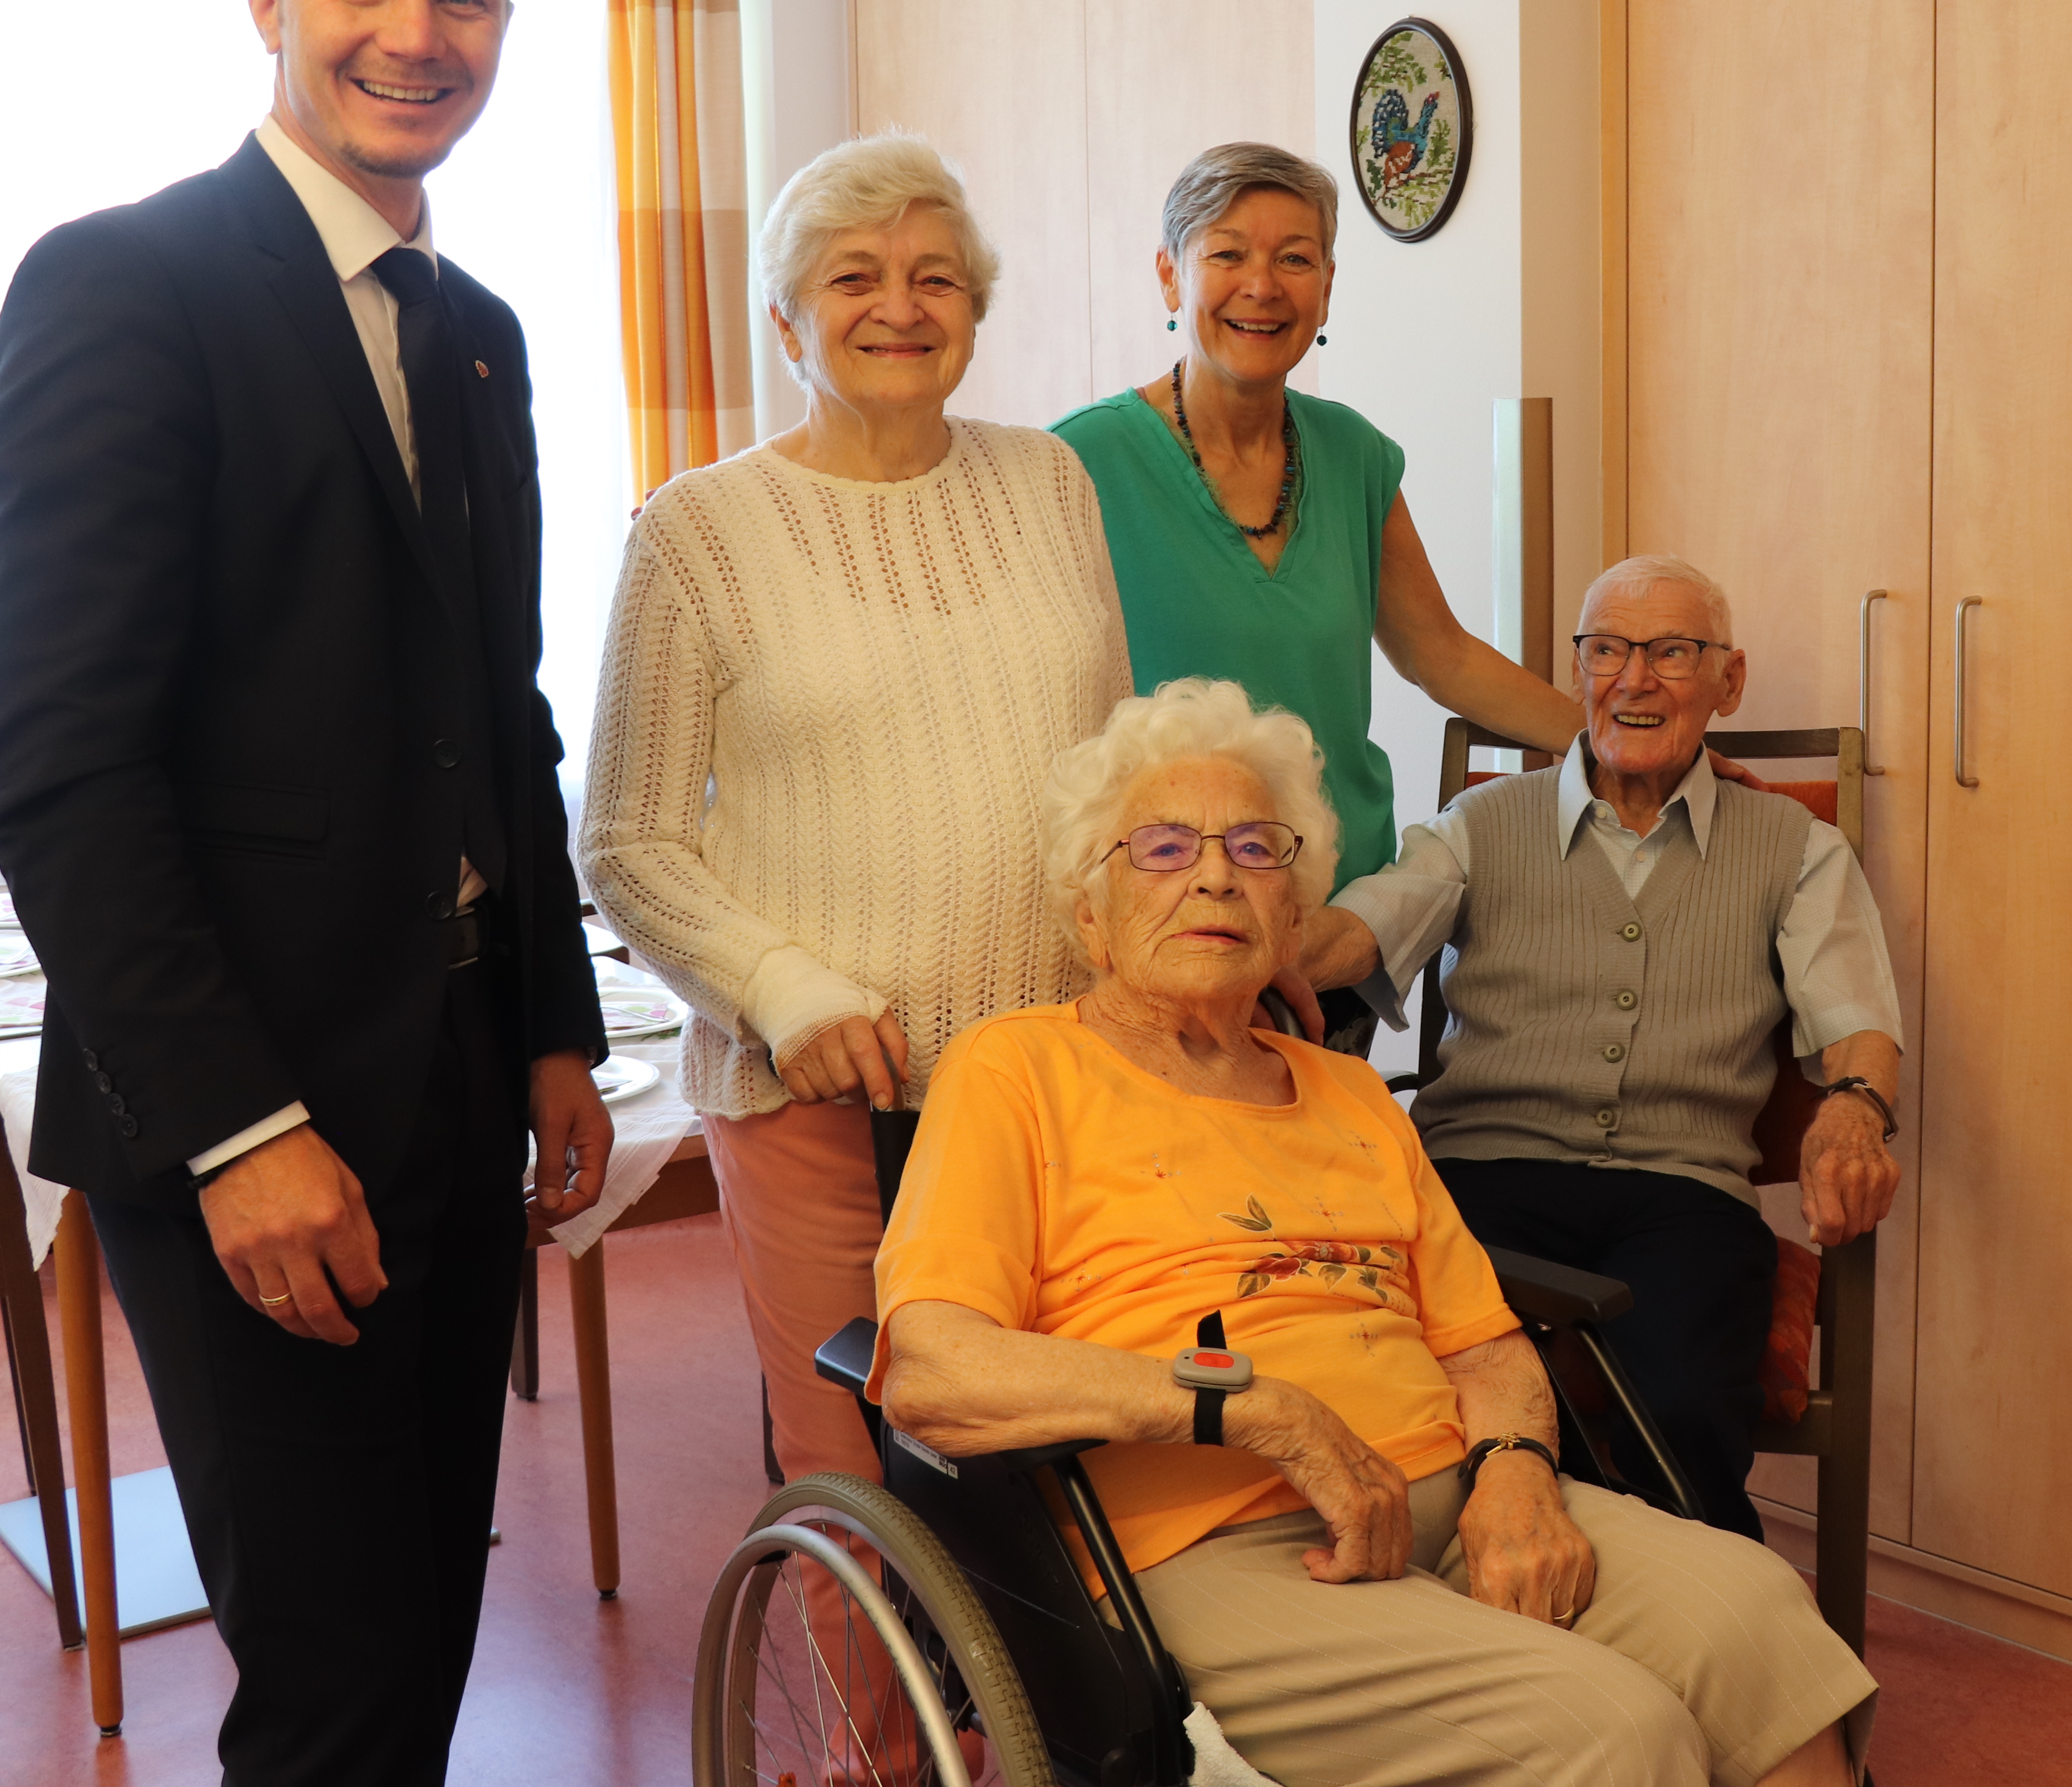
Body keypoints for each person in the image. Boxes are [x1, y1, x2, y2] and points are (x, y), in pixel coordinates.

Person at [0, 0, 609, 1787]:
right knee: (332, 1679)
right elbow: (65, 769)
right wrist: (244, 1133)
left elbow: (498, 718)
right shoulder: (122, 287)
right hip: (250, 1121)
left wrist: (554, 1016)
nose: (415, 31)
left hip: (450, 1087)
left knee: (421, 1629)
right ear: (268, 0)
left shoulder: (480, 332)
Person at [875, 679, 1877, 1787]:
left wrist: (1513, 1468)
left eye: (1257, 847)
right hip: (1212, 1546)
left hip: (1450, 1501)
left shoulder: (1351, 1092)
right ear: (1089, 911)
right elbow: (934, 1366)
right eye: (1163, 845)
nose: (1216, 874)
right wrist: (1258, 1409)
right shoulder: (1014, 1071)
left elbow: (1485, 1340)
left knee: (1761, 1623)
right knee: (1607, 1732)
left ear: (1294, 915)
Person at [580, 131, 1129, 1529]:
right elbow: (628, 842)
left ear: (974, 311)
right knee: (867, 1484)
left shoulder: (1053, 484)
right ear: (787, 318)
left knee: (1063, 1460)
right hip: (821, 1098)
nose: (901, 304)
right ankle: (865, 1762)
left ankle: (1036, 1753)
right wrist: (782, 992)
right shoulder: (698, 530)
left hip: (1053, 1082)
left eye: (936, 275)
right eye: (855, 276)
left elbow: (1114, 775)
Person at [1300, 554, 1904, 1540]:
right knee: (1425, 1398)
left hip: (1684, 1194)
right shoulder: (1478, 825)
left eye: (1672, 652)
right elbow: (1360, 933)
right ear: (1578, 670)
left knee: (1680, 1415)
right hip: (1480, 1180)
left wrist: (1855, 1110)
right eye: (1609, 650)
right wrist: (1251, 934)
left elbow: (1860, 1026)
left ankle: (1678, 1645)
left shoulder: (1794, 847)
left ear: (1729, 679)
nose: (1635, 679)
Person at [1053, 144, 1581, 1044]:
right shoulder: (1078, 465)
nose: (1262, 285)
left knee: (1313, 1176)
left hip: (1325, 923)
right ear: (1171, 277)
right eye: (1226, 254)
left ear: (1327, 287)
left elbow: (1441, 654)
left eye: (1294, 258)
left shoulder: (1355, 456)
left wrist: (1610, 747)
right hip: (1163, 924)